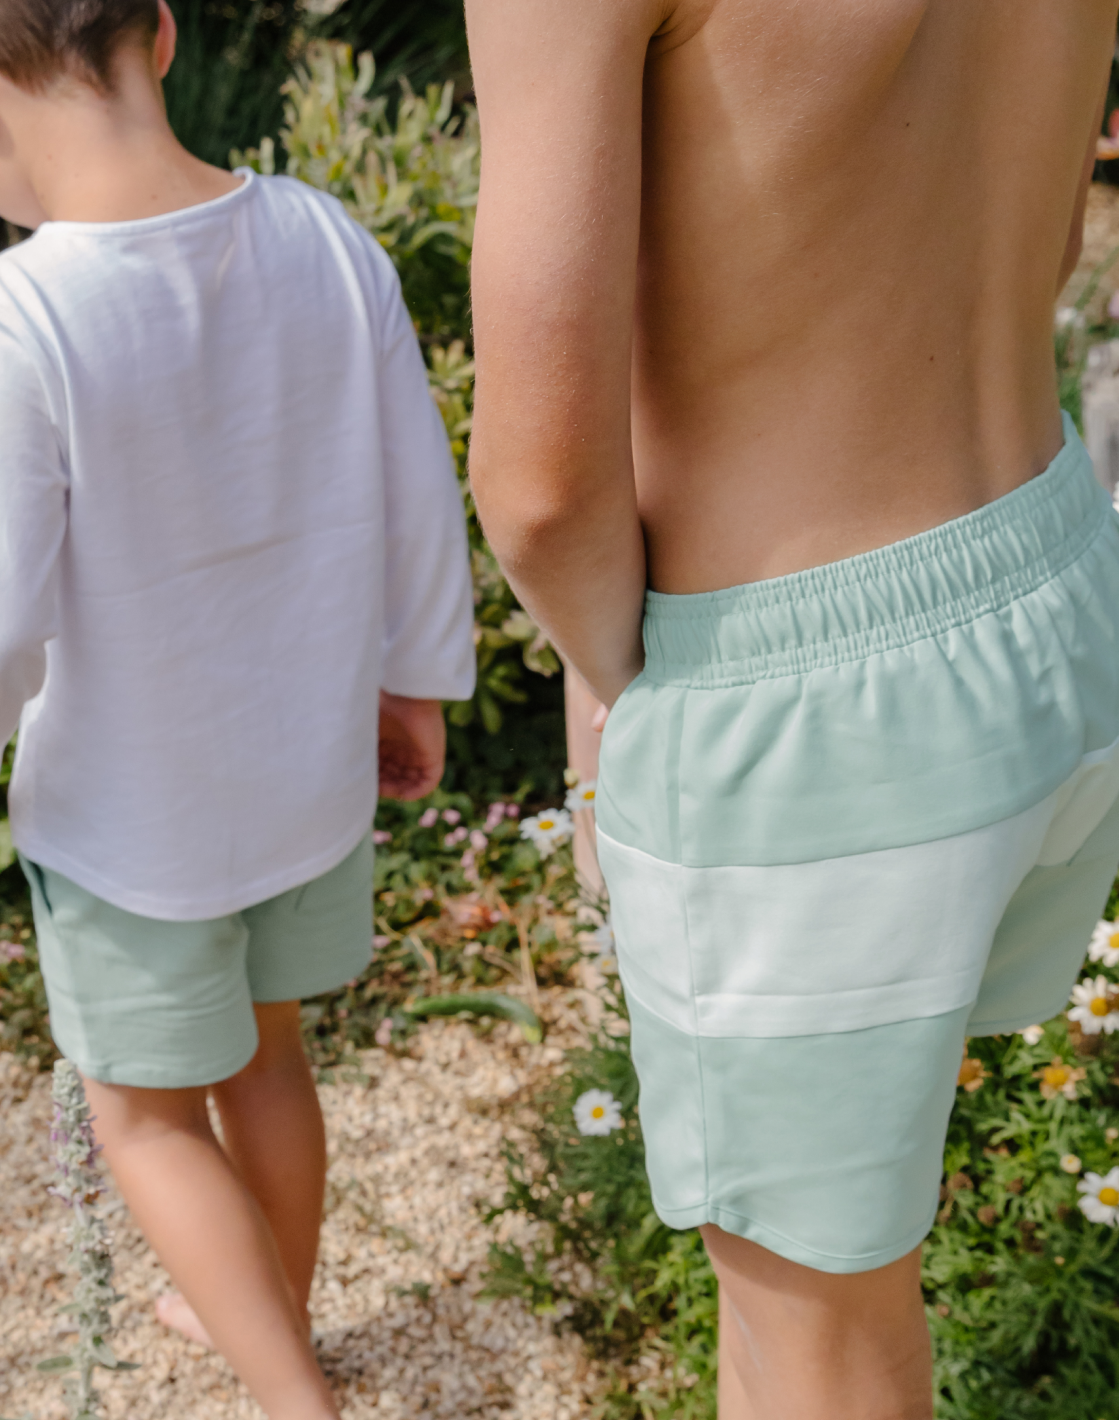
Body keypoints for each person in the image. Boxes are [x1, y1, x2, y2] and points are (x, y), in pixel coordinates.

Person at [465, 3, 1119, 1417]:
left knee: (816, 1329)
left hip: (809, 711)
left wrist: (638, 703)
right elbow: (1052, 239)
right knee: (806, 1291)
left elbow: (540, 484)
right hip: (1047, 554)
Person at [0, 3, 475, 1415]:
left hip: (134, 824)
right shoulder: (327, 239)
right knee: (271, 1060)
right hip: (303, 777)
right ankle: (271, 1318)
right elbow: (417, 493)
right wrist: (418, 680)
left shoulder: (18, 317)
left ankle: (290, 1394)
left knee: (142, 1117)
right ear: (156, 29)